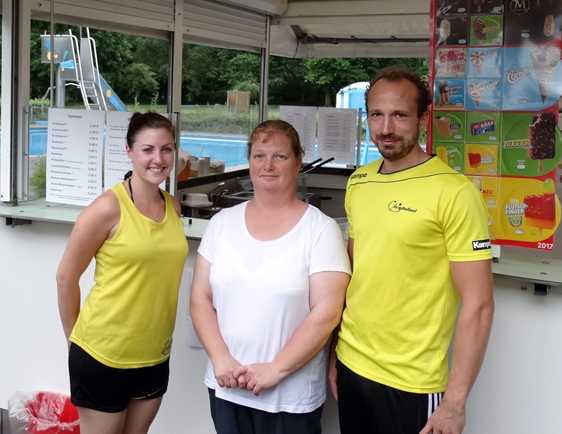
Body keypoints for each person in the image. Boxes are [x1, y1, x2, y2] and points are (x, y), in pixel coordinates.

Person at [329, 67, 494, 434]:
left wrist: (454, 402)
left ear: (423, 118)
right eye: (376, 114)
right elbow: (354, 274)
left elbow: (479, 306)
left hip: (413, 382)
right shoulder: (360, 181)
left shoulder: (455, 192)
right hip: (351, 365)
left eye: (400, 115)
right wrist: (334, 352)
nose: (386, 128)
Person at [190, 120, 351, 434]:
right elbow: (200, 299)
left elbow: (327, 313)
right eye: (259, 156)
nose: (268, 165)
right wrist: (221, 360)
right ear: (249, 162)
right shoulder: (222, 224)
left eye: (280, 156)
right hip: (226, 385)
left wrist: (276, 370)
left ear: (297, 163)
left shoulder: (320, 230)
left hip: (289, 397)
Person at [56, 112, 188, 434]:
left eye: (166, 149)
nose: (158, 159)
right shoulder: (107, 209)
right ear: (129, 151)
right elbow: (65, 277)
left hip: (154, 355)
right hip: (103, 355)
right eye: (148, 149)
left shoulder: (173, 206)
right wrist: (75, 340)